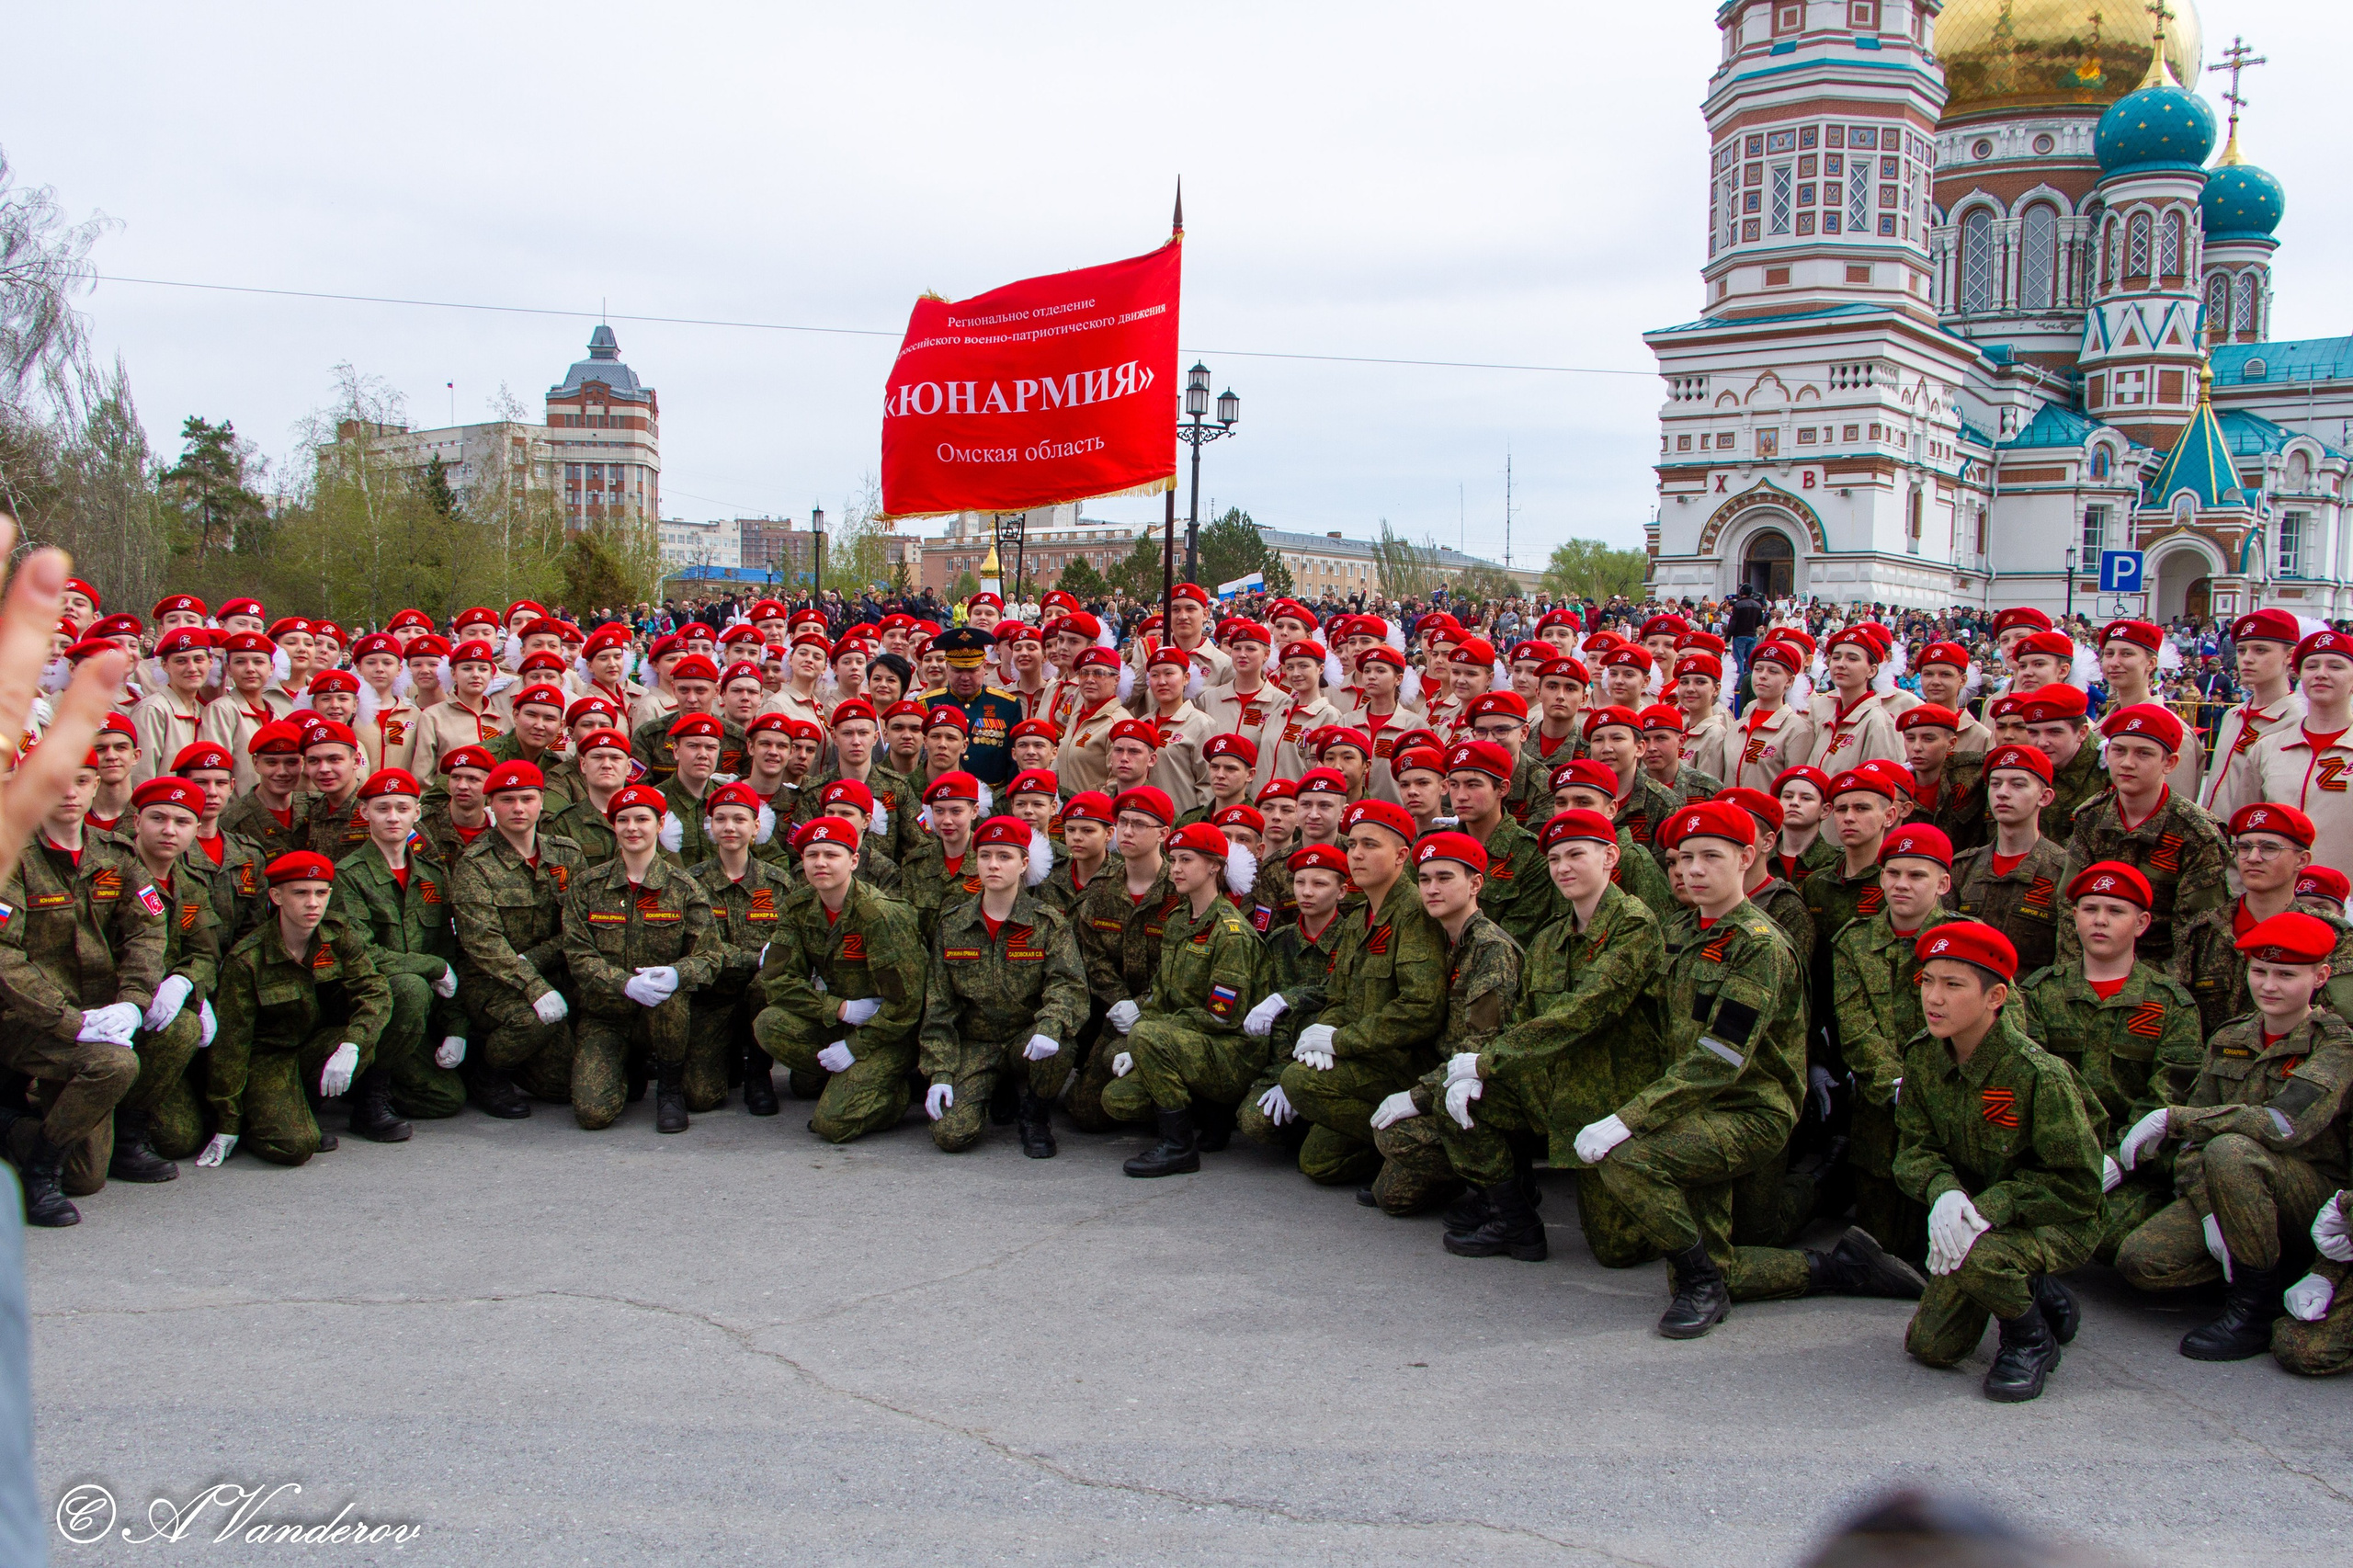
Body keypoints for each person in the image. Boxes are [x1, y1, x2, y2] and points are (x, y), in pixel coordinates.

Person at [1387, 809, 1664, 1257]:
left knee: (1618, 1249)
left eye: (1576, 854)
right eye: (1554, 859)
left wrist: (1487, 1061)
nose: (1563, 868)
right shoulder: (1550, 937)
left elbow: (1586, 1010)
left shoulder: (1635, 924)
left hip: (1611, 1093)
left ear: (1610, 856)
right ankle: (1514, 1221)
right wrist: (1479, 1074)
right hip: (1552, 1084)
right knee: (1460, 1098)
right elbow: (1522, 1018)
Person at [2115, 910, 2353, 1361]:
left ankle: (2253, 1308)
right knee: (2143, 1261)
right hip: (2232, 1188)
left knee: (2231, 1149)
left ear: (2320, 977)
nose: (2268, 985)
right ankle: (2264, 1268)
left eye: (2286, 974)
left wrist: (2178, 1118)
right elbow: (2190, 1151)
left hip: (2312, 1199)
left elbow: (2283, 1125)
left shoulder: (2336, 1045)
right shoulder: (2230, 1037)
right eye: (2259, 971)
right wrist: (2208, 1211)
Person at [1893, 921, 2103, 1403]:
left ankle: (2030, 1339)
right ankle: (2038, 1289)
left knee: (1976, 1257)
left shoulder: (2037, 1075)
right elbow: (1912, 1149)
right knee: (1931, 1346)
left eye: (1953, 985)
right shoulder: (1924, 1057)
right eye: (1927, 981)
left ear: (1995, 998)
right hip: (1975, 1211)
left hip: (2057, 1219)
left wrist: (1988, 1208)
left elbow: (2077, 1185)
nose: (1934, 998)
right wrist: (1943, 1190)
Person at [0, 743, 169, 1221]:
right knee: (115, 1066)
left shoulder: (115, 855)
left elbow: (147, 929)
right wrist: (68, 1020)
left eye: (81, 780)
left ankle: (11, 1125)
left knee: (88, 1176)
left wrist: (134, 1002)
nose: (69, 793)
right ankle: (38, 1175)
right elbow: (4, 956)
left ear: (97, 785)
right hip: (26, 1018)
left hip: (102, 1016)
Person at [2016, 861, 2201, 1264]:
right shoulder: (2041, 991)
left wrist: (2117, 1160)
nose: (2100, 921)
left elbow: (2167, 1097)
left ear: (2141, 922)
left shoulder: (2171, 1003)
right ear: (2075, 917)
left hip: (2132, 1165)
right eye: (2090, 909)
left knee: (2118, 1240)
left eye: (2115, 911)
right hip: (2053, 1157)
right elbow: (2028, 1083)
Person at [1269, 800, 1447, 1187]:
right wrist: (1322, 1038)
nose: (1357, 854)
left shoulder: (1415, 912)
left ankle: (1429, 1151)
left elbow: (1421, 1009)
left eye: (1370, 845)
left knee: (1299, 1082)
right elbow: (1339, 997)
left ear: (1402, 856)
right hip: (1366, 1061)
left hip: (1402, 1065)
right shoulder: (1359, 919)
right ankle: (1392, 1148)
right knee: (1318, 1164)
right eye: (1352, 845)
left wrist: (1339, 1040)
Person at [201, 851, 394, 1168]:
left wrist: (353, 1043)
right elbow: (230, 1047)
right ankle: (256, 1120)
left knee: (367, 1038)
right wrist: (228, 1120)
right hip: (266, 1060)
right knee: (294, 1147)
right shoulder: (247, 958)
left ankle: (300, 1108)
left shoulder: (338, 935)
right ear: (276, 896)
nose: (313, 903)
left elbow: (375, 992)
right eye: (300, 893)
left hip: (312, 1048)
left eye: (321, 893)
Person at [1101, 823, 1269, 1176]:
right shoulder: (1179, 919)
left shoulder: (1231, 932)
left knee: (1145, 1037)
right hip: (1188, 1043)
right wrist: (1147, 1029)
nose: (1175, 868)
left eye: (1186, 860)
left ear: (1214, 867)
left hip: (1229, 1052)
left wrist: (1150, 1033)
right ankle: (1209, 1114)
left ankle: (1179, 1147)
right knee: (1116, 1099)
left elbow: (1222, 1015)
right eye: (1173, 859)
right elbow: (1161, 992)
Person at [918, 815, 1086, 1158]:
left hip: (1025, 1040)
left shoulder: (1048, 923)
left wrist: (1051, 1025)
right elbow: (939, 1005)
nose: (993, 865)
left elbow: (1068, 986)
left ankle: (1035, 1115)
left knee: (1062, 1042)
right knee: (951, 1134)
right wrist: (939, 1072)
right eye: (985, 855)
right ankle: (997, 1088)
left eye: (1005, 856)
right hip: (974, 1045)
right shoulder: (953, 924)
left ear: (1024, 863)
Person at [751, 816, 926, 1143]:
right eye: (811, 855)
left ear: (854, 860)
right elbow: (776, 978)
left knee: (832, 1124)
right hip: (844, 1018)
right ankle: (850, 1081)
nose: (820, 863)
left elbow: (906, 1005)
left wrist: (854, 1046)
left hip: (891, 1032)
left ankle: (897, 1092)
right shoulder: (798, 907)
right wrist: (840, 1008)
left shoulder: (881, 915)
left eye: (831, 855)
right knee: (769, 1024)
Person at [560, 782, 721, 1133]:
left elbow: (710, 955)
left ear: (660, 825)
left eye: (642, 819)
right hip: (606, 1015)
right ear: (612, 825)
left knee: (669, 997)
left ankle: (669, 1087)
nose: (632, 828)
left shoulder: (683, 887)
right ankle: (627, 1065)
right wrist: (626, 984)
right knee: (593, 1114)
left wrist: (678, 974)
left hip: (664, 1016)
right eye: (623, 820)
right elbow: (578, 954)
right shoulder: (588, 886)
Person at [327, 767, 466, 1128]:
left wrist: (457, 1027)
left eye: (402, 808)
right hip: (364, 1003)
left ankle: (361, 1082)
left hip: (411, 1015)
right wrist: (430, 967)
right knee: (411, 984)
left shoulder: (432, 875)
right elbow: (360, 954)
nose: (393, 817)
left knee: (447, 1099)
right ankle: (372, 1097)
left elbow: (449, 954)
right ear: (364, 814)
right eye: (382, 808)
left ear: (417, 814)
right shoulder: (348, 875)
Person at [449, 760, 586, 1116]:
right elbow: (484, 944)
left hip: (554, 969)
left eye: (527, 798)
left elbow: (580, 925)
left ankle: (520, 1053)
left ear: (541, 801)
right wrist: (534, 986)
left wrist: (538, 962)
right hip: (492, 979)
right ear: (490, 805)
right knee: (533, 1022)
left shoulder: (566, 853)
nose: (518, 808)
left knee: (565, 1087)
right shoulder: (475, 864)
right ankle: (489, 1072)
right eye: (507, 799)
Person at [2057, 703, 2227, 968]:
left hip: (2161, 973)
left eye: (2143, 754)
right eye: (2118, 750)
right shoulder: (2090, 817)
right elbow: (2070, 906)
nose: (2127, 763)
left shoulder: (2196, 832)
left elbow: (2198, 930)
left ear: (2169, 763)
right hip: (2092, 963)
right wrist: (2073, 975)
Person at [688, 780, 796, 1115]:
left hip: (757, 991)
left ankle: (757, 1072)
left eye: (739, 819)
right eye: (720, 819)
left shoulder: (777, 881)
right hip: (712, 993)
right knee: (700, 1097)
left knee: (767, 982)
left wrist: (768, 960)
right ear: (711, 826)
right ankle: (728, 1055)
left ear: (756, 827)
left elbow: (787, 941)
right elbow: (699, 946)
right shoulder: (692, 882)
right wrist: (755, 957)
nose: (730, 827)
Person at [1949, 744, 2067, 981]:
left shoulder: (2062, 871)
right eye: (1995, 784)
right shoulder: (1963, 868)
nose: (2003, 793)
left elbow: (2066, 964)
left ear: (2044, 797)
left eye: (2018, 784)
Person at [2198, 608, 2303, 813]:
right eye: (2242, 650)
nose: (2247, 659)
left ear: (2290, 655)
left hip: (2254, 840)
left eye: (2260, 650)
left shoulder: (2296, 721)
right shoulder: (2233, 715)